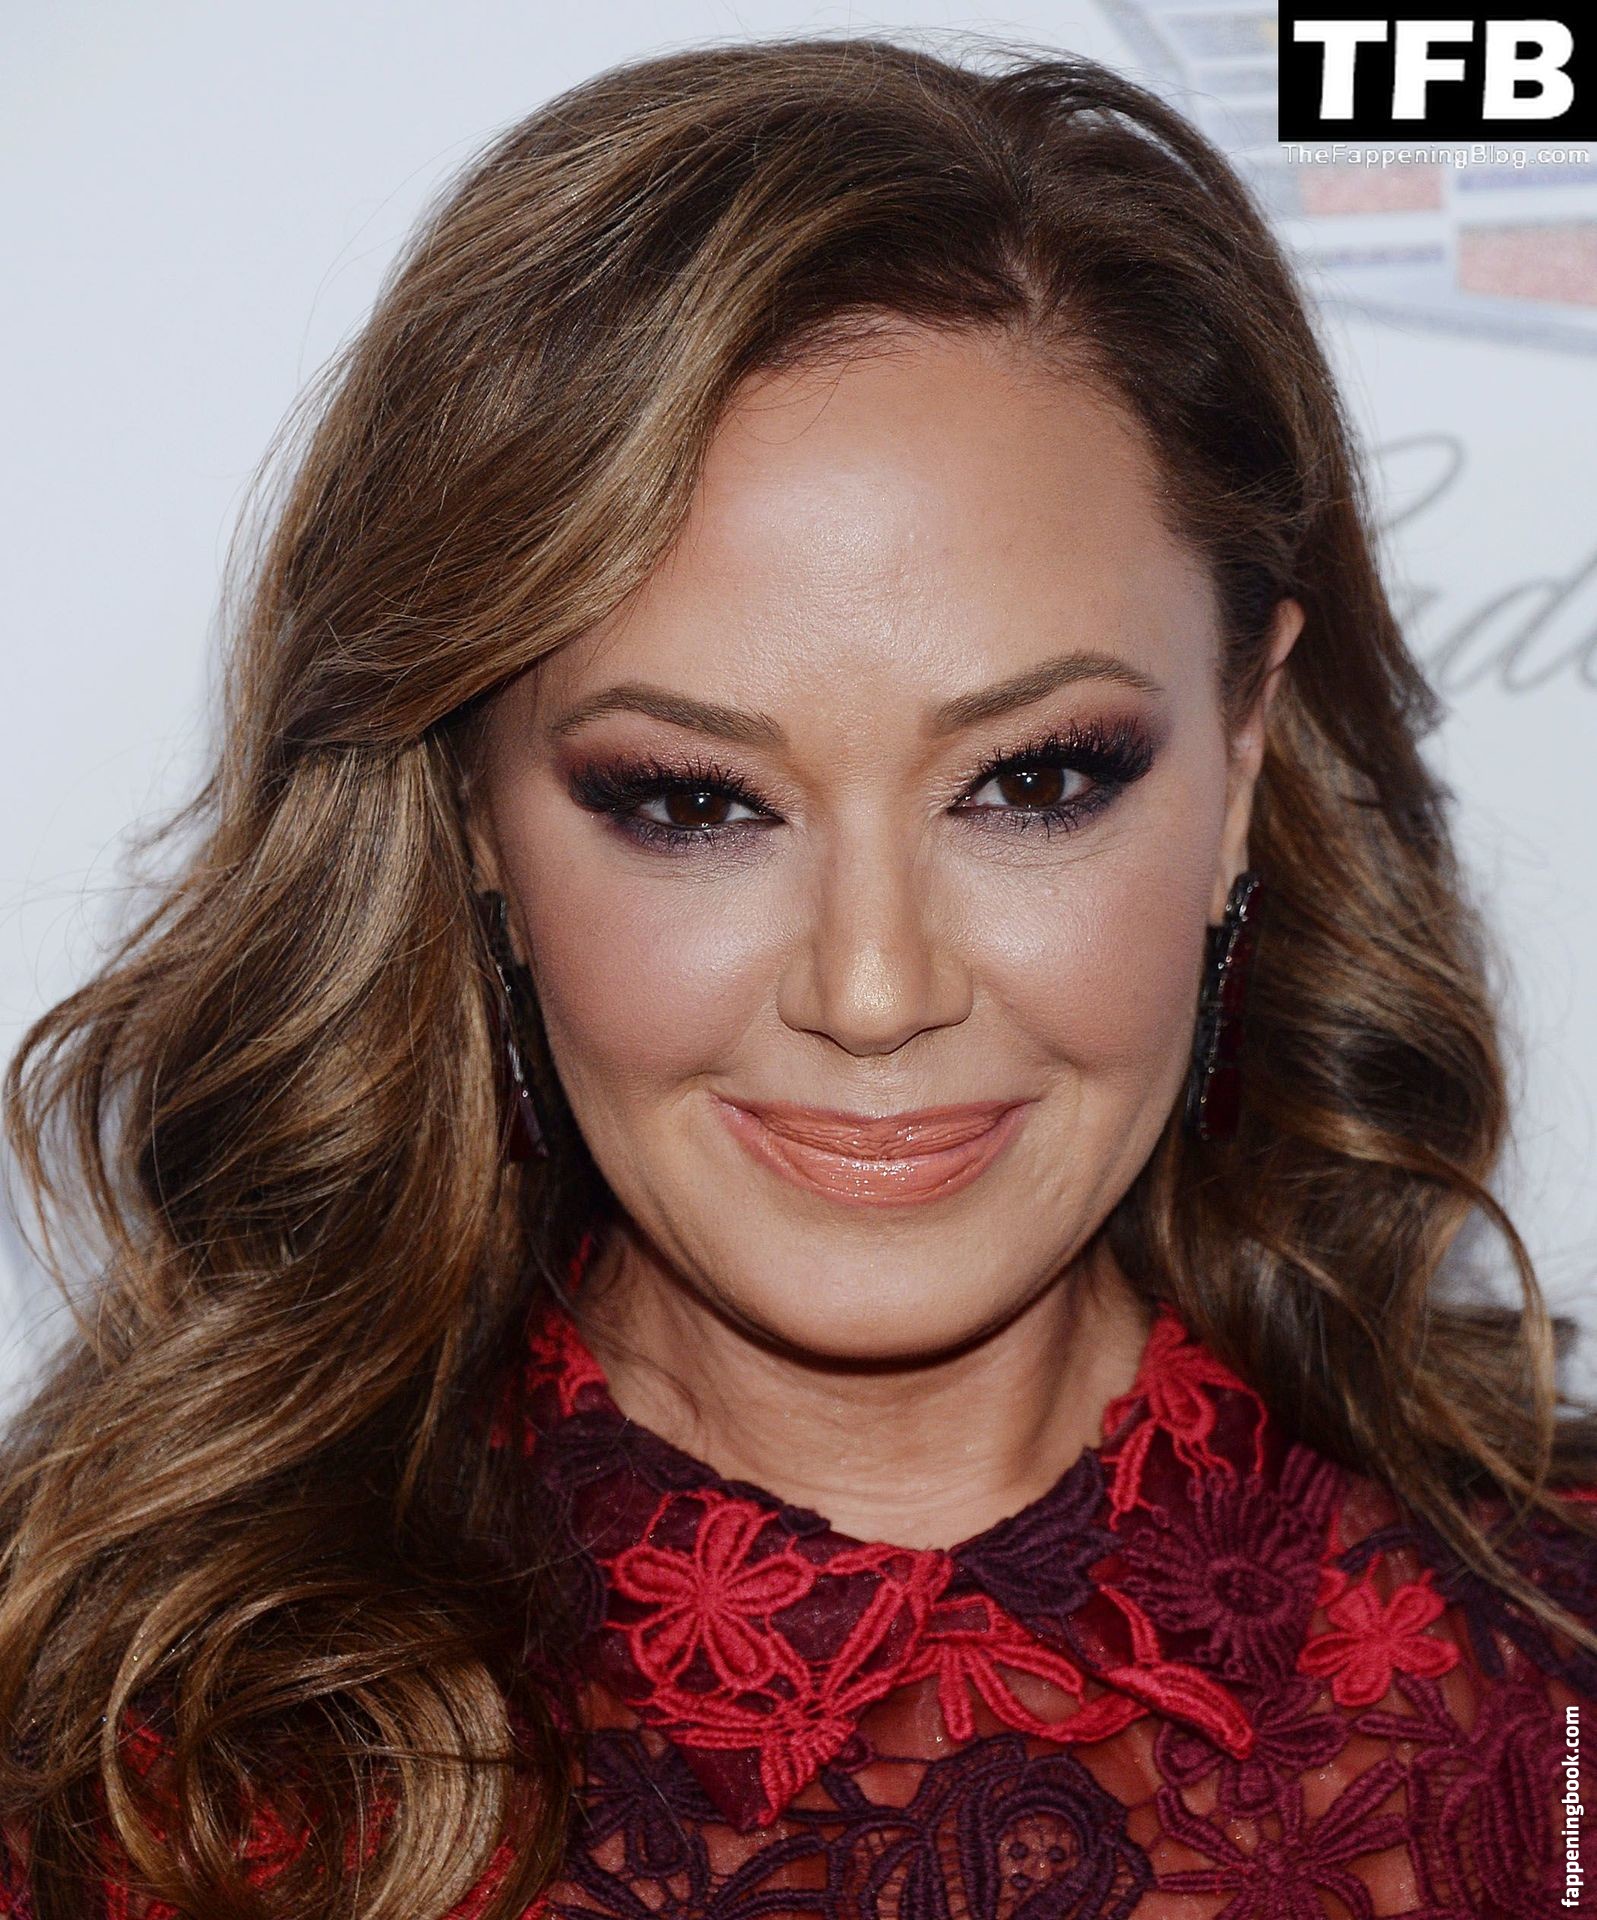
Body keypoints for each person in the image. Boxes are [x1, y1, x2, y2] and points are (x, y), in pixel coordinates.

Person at [2, 33, 1595, 1920]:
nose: (872, 986)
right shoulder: (117, 1761)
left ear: (1242, 749)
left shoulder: (1553, 1680)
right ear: (475, 817)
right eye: (693, 800)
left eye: (1031, 782)